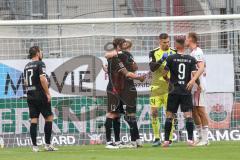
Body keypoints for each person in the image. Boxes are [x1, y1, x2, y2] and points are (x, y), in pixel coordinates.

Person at [104, 38, 145, 149]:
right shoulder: (115, 57)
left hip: (121, 89)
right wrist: (139, 77)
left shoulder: (121, 56)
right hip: (114, 89)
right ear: (118, 45)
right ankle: (108, 142)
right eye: (123, 43)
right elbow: (127, 73)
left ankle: (117, 141)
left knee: (118, 114)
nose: (124, 45)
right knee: (112, 114)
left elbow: (132, 68)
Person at [162, 38, 200, 147]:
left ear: (177, 46)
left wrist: (169, 80)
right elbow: (194, 74)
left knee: (169, 115)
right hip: (186, 91)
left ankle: (166, 141)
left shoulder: (170, 58)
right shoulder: (191, 59)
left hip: (173, 90)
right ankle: (190, 140)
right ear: (185, 46)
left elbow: (164, 74)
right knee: (188, 115)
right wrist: (199, 85)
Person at [24, 46, 58, 152]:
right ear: (38, 53)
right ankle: (47, 145)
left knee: (34, 119)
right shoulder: (40, 64)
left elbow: (25, 82)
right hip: (40, 94)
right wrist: (47, 93)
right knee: (49, 117)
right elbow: (43, 79)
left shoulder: (27, 66)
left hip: (30, 95)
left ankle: (35, 147)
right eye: (41, 51)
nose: (42, 53)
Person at [149, 33, 176, 146]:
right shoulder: (153, 52)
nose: (167, 44)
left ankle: (169, 138)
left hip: (169, 88)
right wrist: (162, 59)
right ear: (159, 42)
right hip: (156, 88)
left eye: (168, 42)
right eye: (164, 42)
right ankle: (156, 138)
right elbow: (152, 68)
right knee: (154, 112)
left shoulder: (174, 52)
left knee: (169, 113)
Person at [185, 32, 209, 146]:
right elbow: (204, 67)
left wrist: (194, 80)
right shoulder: (193, 52)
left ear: (190, 39)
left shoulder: (198, 52)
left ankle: (205, 139)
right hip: (194, 86)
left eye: (186, 38)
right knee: (194, 110)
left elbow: (201, 67)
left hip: (198, 86)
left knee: (200, 110)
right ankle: (200, 137)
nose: (185, 41)